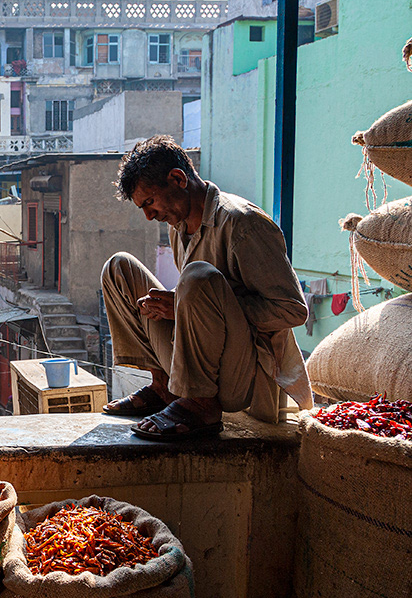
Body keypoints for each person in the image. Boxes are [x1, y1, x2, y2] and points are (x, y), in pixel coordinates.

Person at [100, 135, 310, 440]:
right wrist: (176, 308)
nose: (149, 216)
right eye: (142, 208)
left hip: (247, 375)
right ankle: (164, 388)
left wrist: (190, 307)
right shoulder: (178, 227)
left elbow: (292, 310)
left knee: (198, 277)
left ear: (177, 179)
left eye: (150, 202)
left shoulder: (242, 223)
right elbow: (199, 305)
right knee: (119, 268)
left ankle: (200, 407)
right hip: (206, 363)